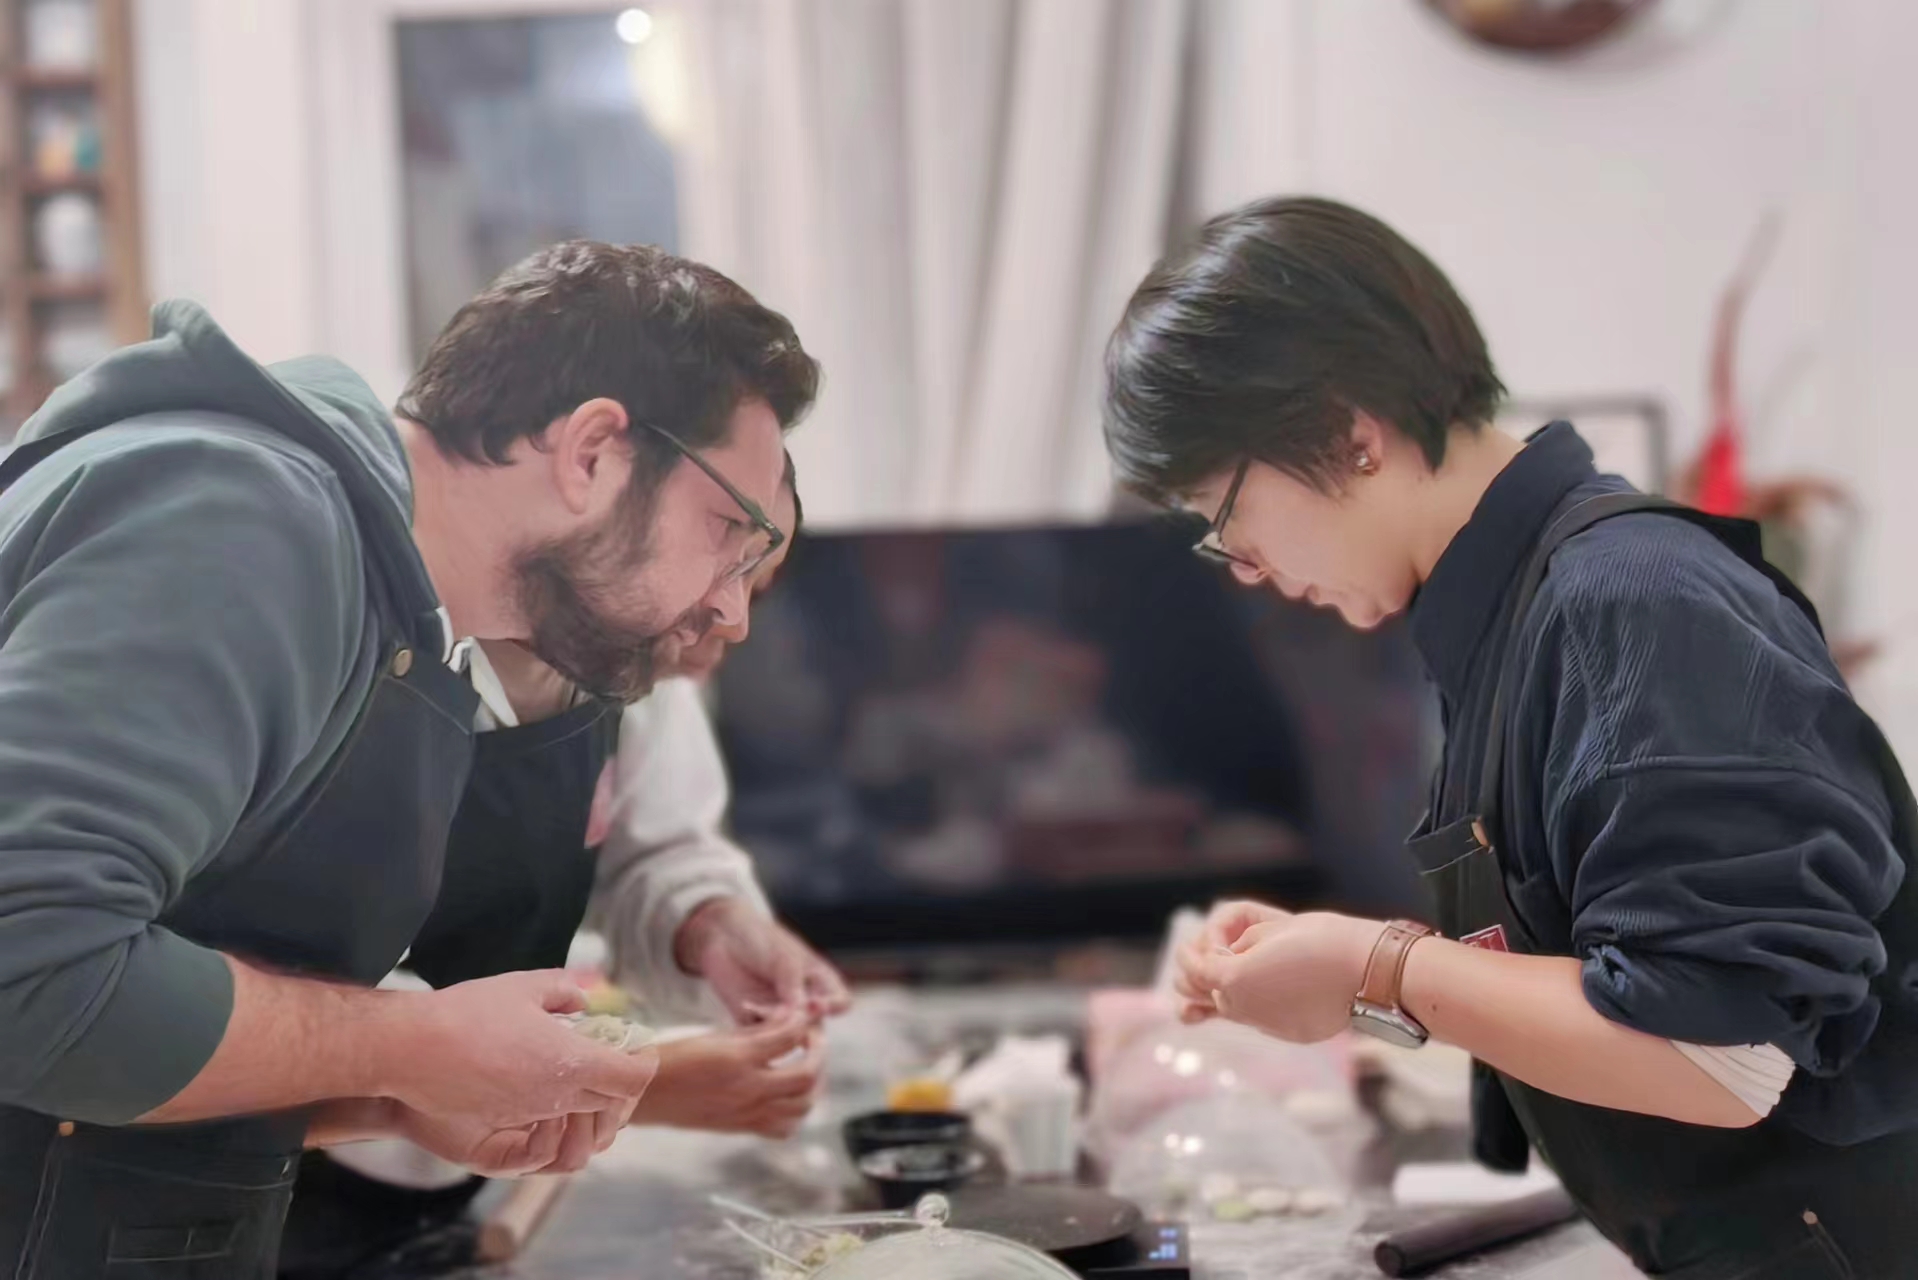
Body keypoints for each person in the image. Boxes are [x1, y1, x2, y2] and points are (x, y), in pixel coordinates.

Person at [1104, 197, 1918, 1278]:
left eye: (1225, 512)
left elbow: (1719, 1046)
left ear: (1350, 435)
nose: (1242, 563)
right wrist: (1341, 961)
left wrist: (1374, 964)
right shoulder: (1515, 608)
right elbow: (1588, 948)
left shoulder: (1628, 603)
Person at [0, 239, 818, 1278]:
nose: (734, 612)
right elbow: (28, 959)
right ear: (593, 452)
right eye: (731, 535)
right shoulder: (242, 521)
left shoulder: (407, 630)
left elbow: (117, 1041)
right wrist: (414, 1045)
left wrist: (403, 1095)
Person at [278, 462, 849, 1279]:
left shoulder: (639, 666)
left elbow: (657, 848)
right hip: (284, 1188)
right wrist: (628, 1086)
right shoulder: (365, 655)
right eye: (726, 579)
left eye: (757, 589)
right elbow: (305, 996)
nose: (733, 624)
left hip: (466, 1162)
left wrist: (712, 926)